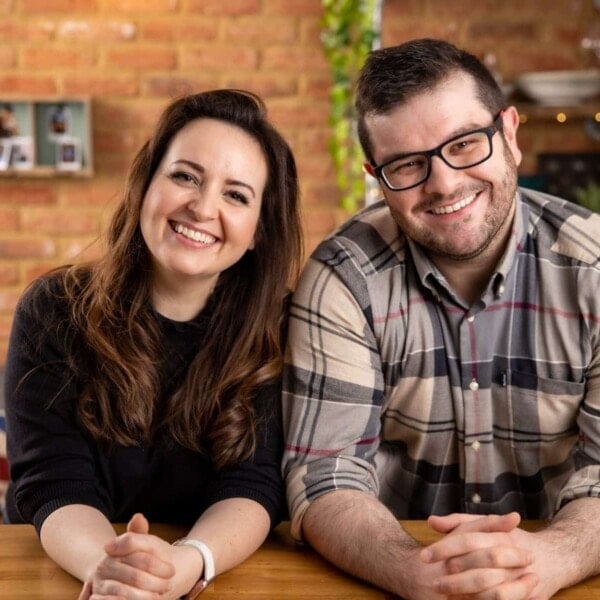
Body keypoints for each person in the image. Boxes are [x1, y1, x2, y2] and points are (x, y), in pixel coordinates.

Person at [282, 38, 600, 600]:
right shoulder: (343, 278)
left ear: (509, 133)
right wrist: (415, 572)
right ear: (376, 175)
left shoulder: (594, 270)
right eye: (407, 164)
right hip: (387, 582)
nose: (445, 183)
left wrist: (549, 559)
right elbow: (325, 475)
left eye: (464, 145)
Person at [5, 89, 303, 599]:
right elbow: (53, 482)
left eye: (236, 195)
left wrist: (189, 563)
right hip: (60, 571)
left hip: (208, 572)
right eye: (185, 176)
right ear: (146, 185)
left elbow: (253, 485)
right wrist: (114, 572)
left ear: (257, 230)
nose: (203, 207)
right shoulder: (53, 308)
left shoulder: (280, 325)